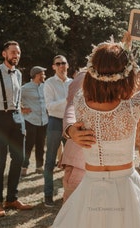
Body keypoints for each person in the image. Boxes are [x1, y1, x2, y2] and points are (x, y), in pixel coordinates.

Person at [51, 31, 140, 228]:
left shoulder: (80, 102)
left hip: (91, 188)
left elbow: (110, 74)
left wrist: (124, 47)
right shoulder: (132, 107)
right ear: (126, 76)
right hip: (126, 190)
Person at [0, 41, 32, 217]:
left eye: (18, 52)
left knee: (19, 158)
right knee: (0, 160)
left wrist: (20, 108)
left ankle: (12, 198)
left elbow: (14, 98)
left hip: (17, 118)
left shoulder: (18, 73)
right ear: (4, 54)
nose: (16, 55)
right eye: (12, 52)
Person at [43, 55, 72, 207]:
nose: (61, 66)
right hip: (54, 122)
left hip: (70, 123)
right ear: (53, 67)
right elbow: (50, 106)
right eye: (58, 63)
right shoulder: (49, 83)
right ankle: (48, 195)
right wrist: (67, 100)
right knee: (50, 160)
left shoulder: (73, 83)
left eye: (64, 63)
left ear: (68, 65)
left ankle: (69, 193)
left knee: (72, 160)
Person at [61, 68, 86, 202]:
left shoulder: (119, 79)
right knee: (74, 202)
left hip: (106, 160)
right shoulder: (84, 76)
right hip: (80, 153)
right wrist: (70, 128)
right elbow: (71, 105)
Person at [21, 66, 48, 176]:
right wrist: (21, 108)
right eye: (42, 74)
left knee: (41, 144)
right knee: (29, 144)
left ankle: (39, 166)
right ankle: (24, 167)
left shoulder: (45, 87)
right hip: (31, 120)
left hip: (43, 120)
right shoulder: (25, 88)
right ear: (36, 75)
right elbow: (14, 98)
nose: (44, 76)